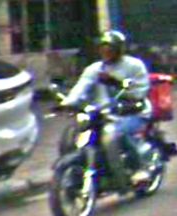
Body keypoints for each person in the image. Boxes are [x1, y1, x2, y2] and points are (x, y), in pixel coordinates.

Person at [62, 29, 152, 192]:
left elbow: (139, 92)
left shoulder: (134, 66)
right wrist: (67, 103)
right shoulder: (95, 69)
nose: (106, 52)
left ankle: (139, 169)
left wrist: (114, 82)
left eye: (110, 48)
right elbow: (81, 87)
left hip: (133, 112)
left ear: (119, 49)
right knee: (72, 135)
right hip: (103, 115)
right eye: (103, 48)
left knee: (115, 135)